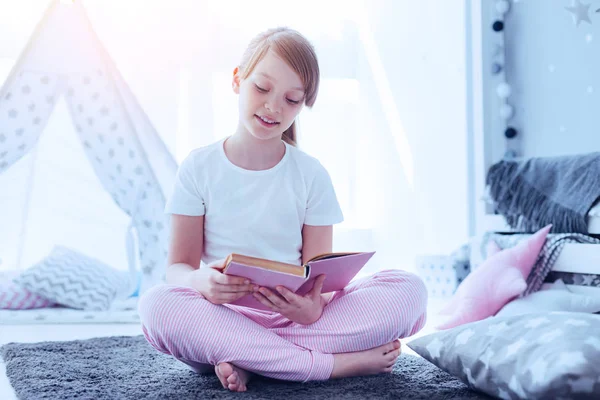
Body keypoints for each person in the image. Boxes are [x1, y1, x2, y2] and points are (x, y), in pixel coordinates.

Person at [138, 27, 427, 392]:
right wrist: (202, 283)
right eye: (262, 89)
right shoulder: (199, 167)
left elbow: (319, 277)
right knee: (157, 306)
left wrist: (313, 309)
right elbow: (177, 269)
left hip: (297, 322)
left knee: (408, 289)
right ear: (237, 80)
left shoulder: (310, 174)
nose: (274, 107)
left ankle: (253, 363)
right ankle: (329, 365)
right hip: (223, 317)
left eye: (291, 100)